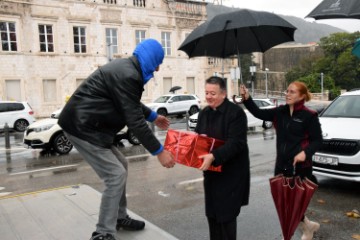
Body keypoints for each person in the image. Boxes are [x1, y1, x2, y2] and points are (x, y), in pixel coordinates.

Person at [58, 39, 175, 240]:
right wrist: (159, 151)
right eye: (157, 62)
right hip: (82, 127)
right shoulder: (129, 74)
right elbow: (135, 122)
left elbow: (130, 103)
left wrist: (154, 117)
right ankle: (103, 233)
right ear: (150, 58)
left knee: (121, 165)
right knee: (115, 175)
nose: (157, 68)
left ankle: (119, 218)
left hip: (89, 125)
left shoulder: (128, 70)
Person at [240, 81, 322, 240]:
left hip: (300, 167)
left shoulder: (309, 116)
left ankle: (292, 234)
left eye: (292, 92)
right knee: (284, 204)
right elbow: (258, 113)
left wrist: (305, 153)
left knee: (295, 204)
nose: (287, 94)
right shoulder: (280, 112)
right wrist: (247, 98)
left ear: (302, 96)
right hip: (281, 165)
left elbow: (317, 141)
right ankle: (308, 226)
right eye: (287, 91)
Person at [195, 76, 250, 240]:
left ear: (223, 94)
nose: (209, 96)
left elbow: (236, 143)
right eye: (206, 93)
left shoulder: (236, 113)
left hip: (231, 175)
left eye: (213, 93)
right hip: (211, 175)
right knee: (212, 217)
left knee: (226, 219)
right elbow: (199, 139)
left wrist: (214, 155)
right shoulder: (204, 113)